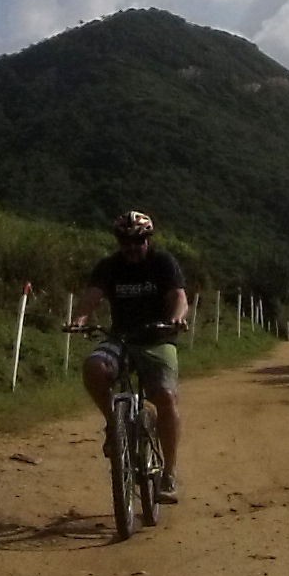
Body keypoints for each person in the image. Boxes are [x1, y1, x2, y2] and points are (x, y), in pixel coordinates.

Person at [69, 210, 189, 502]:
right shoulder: (109, 266)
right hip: (121, 338)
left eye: (138, 241)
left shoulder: (162, 263)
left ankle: (169, 474)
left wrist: (176, 318)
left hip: (157, 338)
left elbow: (179, 297)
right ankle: (115, 423)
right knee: (94, 367)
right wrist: (81, 318)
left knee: (164, 396)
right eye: (125, 242)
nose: (132, 247)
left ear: (148, 240)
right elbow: (92, 295)